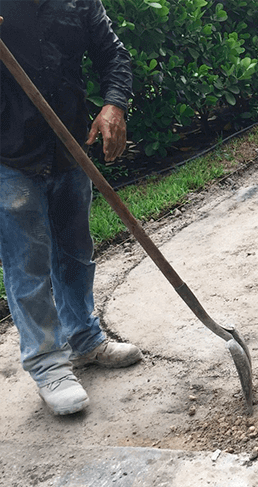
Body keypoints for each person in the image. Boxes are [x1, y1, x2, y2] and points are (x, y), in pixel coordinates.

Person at [0, 1, 141, 415]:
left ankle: (84, 338)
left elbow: (113, 53)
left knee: (76, 251)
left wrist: (115, 104)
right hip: (10, 154)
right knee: (28, 264)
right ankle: (47, 365)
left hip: (68, 146)